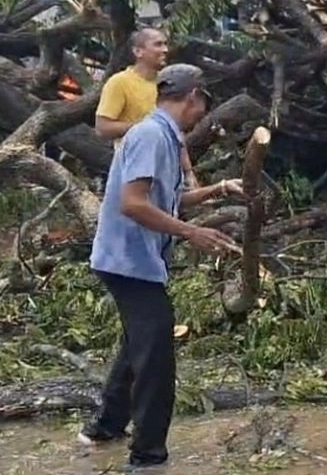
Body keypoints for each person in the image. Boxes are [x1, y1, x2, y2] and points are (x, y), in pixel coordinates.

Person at [79, 64, 243, 469]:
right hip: (127, 262)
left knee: (139, 342)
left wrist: (219, 189)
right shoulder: (151, 135)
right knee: (156, 354)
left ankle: (105, 427)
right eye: (203, 101)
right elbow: (133, 204)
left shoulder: (166, 137)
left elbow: (168, 199)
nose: (203, 111)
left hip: (135, 259)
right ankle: (148, 455)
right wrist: (191, 234)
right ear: (192, 97)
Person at [96, 28, 198, 187]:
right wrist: (148, 126)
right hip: (135, 169)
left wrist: (188, 172)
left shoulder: (168, 83)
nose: (165, 50)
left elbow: (176, 133)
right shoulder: (120, 82)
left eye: (165, 44)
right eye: (158, 44)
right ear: (138, 51)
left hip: (169, 170)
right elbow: (103, 127)